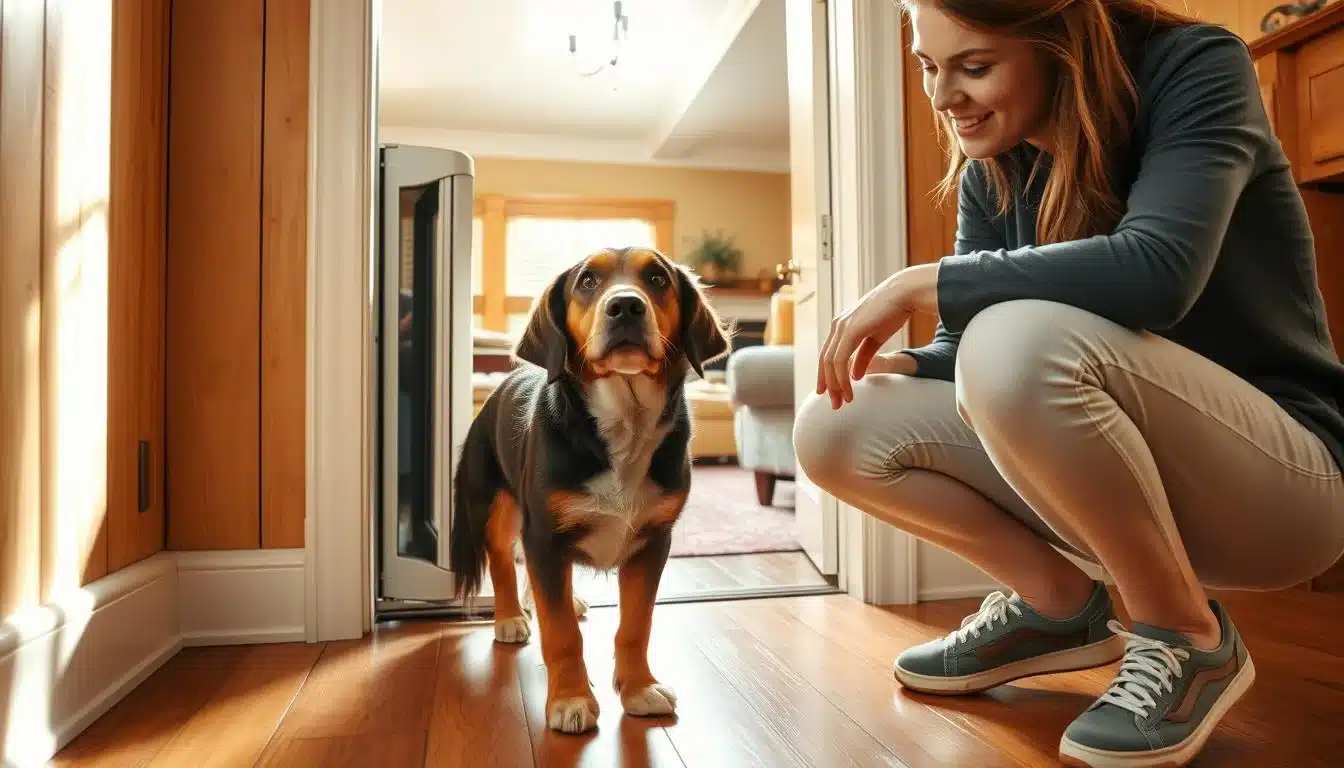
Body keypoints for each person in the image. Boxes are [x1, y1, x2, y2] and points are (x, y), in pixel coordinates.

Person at [792, 1, 1344, 765]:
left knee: (1014, 339)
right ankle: (1054, 609)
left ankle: (1188, 635)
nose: (942, 97)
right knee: (835, 426)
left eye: (974, 67)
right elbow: (961, 347)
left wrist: (923, 283)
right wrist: (911, 366)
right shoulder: (999, 150)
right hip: (1134, 486)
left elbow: (1158, 273)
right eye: (928, 67)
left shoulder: (1195, 68)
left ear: (1060, 44)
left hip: (1286, 489)